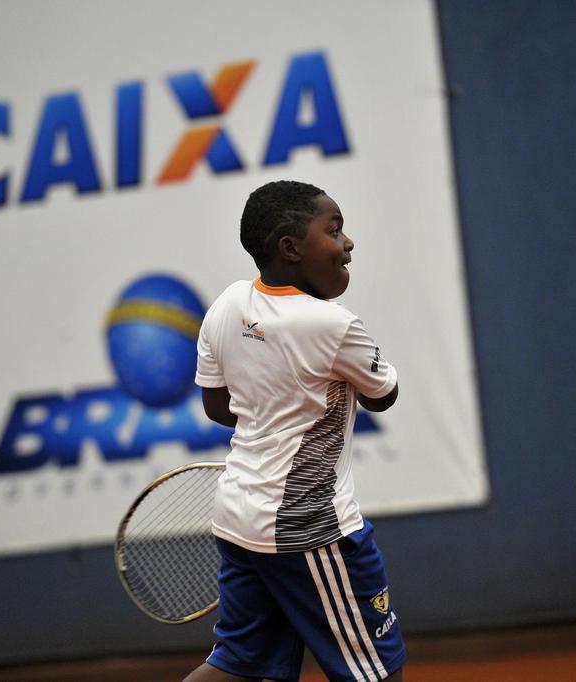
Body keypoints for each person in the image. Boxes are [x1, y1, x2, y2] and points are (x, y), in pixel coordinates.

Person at [185, 181, 404, 682]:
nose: (347, 243)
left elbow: (219, 406)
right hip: (308, 529)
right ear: (291, 248)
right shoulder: (333, 324)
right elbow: (382, 395)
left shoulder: (227, 303)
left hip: (238, 517)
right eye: (334, 230)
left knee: (236, 665)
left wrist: (275, 416)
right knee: (375, 673)